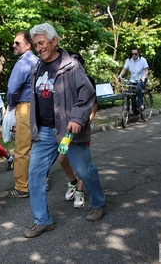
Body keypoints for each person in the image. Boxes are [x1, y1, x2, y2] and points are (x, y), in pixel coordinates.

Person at [24, 23, 106, 238]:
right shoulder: (37, 67)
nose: (38, 48)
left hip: (68, 132)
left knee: (85, 170)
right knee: (34, 174)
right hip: (43, 132)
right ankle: (42, 220)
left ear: (54, 40)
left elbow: (87, 94)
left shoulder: (71, 65)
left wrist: (78, 117)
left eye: (41, 43)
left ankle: (98, 202)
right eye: (35, 45)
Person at [61, 52, 97, 209]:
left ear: (82, 66)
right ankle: (73, 182)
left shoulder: (89, 81)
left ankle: (80, 192)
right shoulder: (63, 80)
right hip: (66, 128)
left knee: (82, 163)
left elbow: (93, 104)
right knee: (62, 159)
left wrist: (85, 122)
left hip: (82, 128)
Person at [5, 32, 39, 198]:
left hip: (25, 108)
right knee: (38, 148)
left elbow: (12, 89)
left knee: (22, 149)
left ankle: (22, 187)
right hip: (40, 107)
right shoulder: (38, 61)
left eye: (17, 43)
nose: (14, 45)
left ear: (28, 45)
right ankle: (41, 181)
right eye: (14, 43)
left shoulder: (23, 63)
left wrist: (11, 105)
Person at [118, 47, 149, 114]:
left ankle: (140, 104)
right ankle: (134, 110)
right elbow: (124, 69)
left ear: (138, 54)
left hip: (142, 79)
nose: (134, 55)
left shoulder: (142, 60)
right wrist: (120, 75)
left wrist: (144, 77)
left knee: (138, 88)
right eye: (132, 54)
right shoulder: (128, 60)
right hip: (133, 80)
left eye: (136, 54)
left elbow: (146, 71)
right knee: (131, 95)